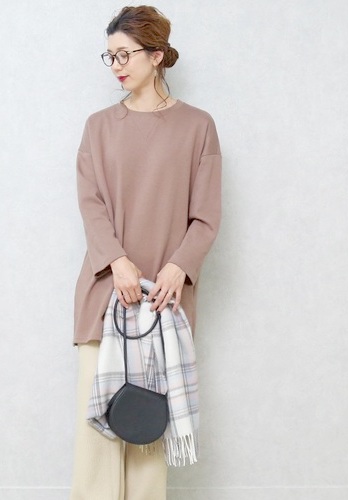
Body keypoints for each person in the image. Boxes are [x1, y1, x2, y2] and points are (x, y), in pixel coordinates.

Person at [70, 5, 222, 499]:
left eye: (125, 54)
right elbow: (91, 204)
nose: (116, 65)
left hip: (162, 301)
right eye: (109, 56)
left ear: (156, 55)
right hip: (104, 295)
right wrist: (118, 262)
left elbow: (206, 215)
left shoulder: (197, 126)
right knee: (98, 434)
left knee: (145, 429)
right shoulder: (98, 127)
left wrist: (179, 267)